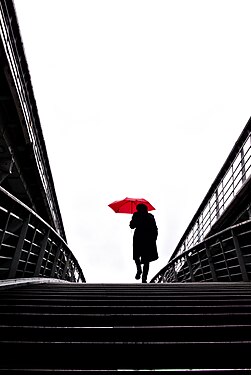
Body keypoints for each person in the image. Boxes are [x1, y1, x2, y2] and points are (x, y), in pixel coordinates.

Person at [129, 203, 158, 283]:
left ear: (138, 209)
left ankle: (139, 270)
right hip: (148, 240)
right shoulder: (150, 216)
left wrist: (131, 222)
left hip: (138, 238)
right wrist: (154, 238)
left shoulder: (136, 215)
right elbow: (155, 228)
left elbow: (132, 226)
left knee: (136, 256)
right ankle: (144, 277)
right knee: (146, 260)